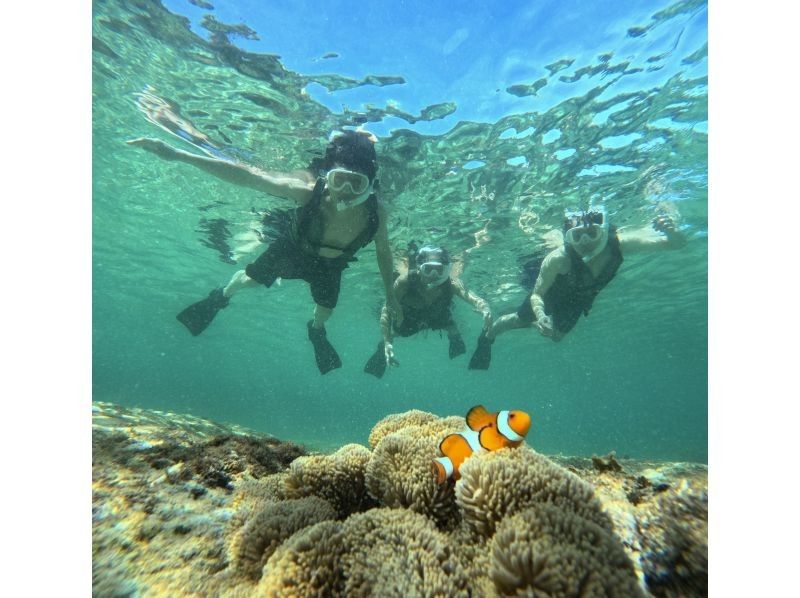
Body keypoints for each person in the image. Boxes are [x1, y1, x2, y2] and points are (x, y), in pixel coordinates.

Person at [128, 129, 401, 374]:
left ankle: (316, 330)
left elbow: (384, 252)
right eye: (339, 180)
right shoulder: (307, 193)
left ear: (370, 184)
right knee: (249, 280)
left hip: (332, 266)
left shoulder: (376, 214)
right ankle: (221, 296)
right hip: (292, 250)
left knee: (325, 311)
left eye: (357, 184)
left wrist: (390, 296)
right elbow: (249, 177)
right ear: (327, 176)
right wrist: (178, 155)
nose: (345, 191)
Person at [468, 205, 686, 369]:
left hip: (579, 300)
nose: (585, 242)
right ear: (568, 237)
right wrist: (541, 315)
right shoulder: (558, 258)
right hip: (551, 294)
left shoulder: (619, 245)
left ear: (604, 230)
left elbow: (675, 245)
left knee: (556, 337)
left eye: (592, 234)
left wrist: (673, 232)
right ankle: (487, 337)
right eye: (577, 236)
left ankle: (537, 325)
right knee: (518, 319)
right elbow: (537, 294)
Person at [364, 242, 492, 378]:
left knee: (450, 323)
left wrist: (485, 308)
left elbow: (472, 297)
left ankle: (455, 337)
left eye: (439, 270)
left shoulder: (451, 283)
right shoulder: (405, 282)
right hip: (409, 317)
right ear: (419, 268)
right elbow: (387, 309)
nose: (433, 275)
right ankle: (382, 349)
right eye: (428, 269)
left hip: (436, 315)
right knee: (393, 333)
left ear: (447, 270)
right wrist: (386, 341)